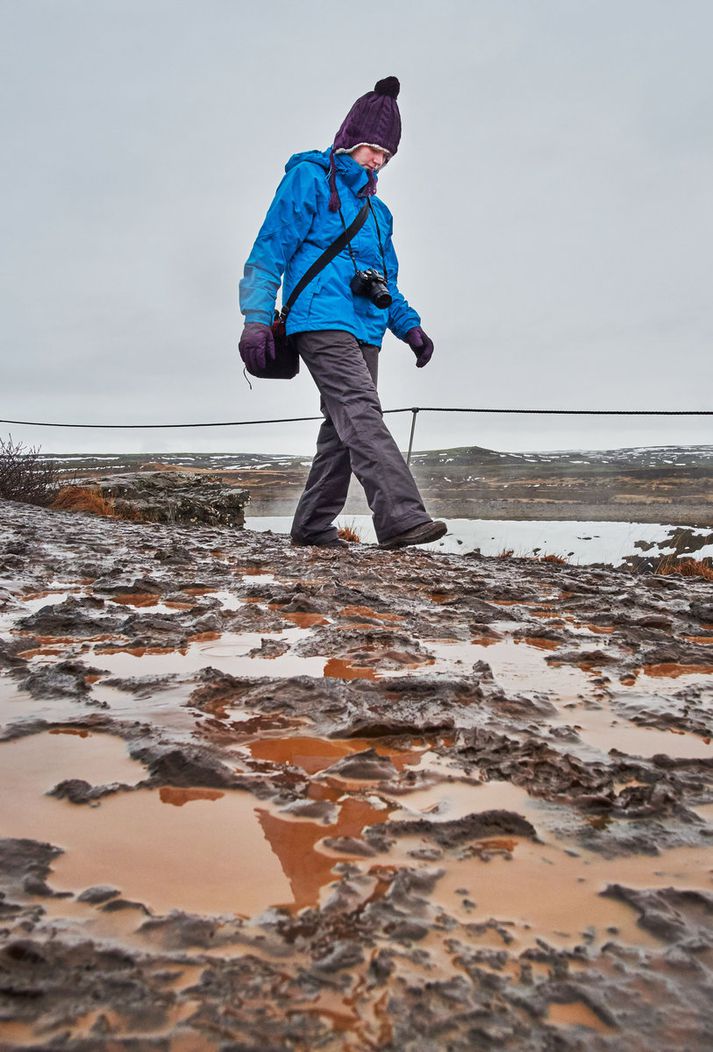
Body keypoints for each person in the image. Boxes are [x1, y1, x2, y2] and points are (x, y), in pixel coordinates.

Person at [238, 76, 447, 550]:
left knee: (341, 427)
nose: (378, 160)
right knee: (360, 409)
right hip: (318, 318)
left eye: (387, 155)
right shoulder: (309, 178)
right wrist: (255, 316)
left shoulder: (379, 212)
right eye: (373, 148)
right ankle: (401, 518)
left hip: (366, 328)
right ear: (351, 139)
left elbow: (385, 282)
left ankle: (312, 527)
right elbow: (270, 248)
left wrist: (409, 326)